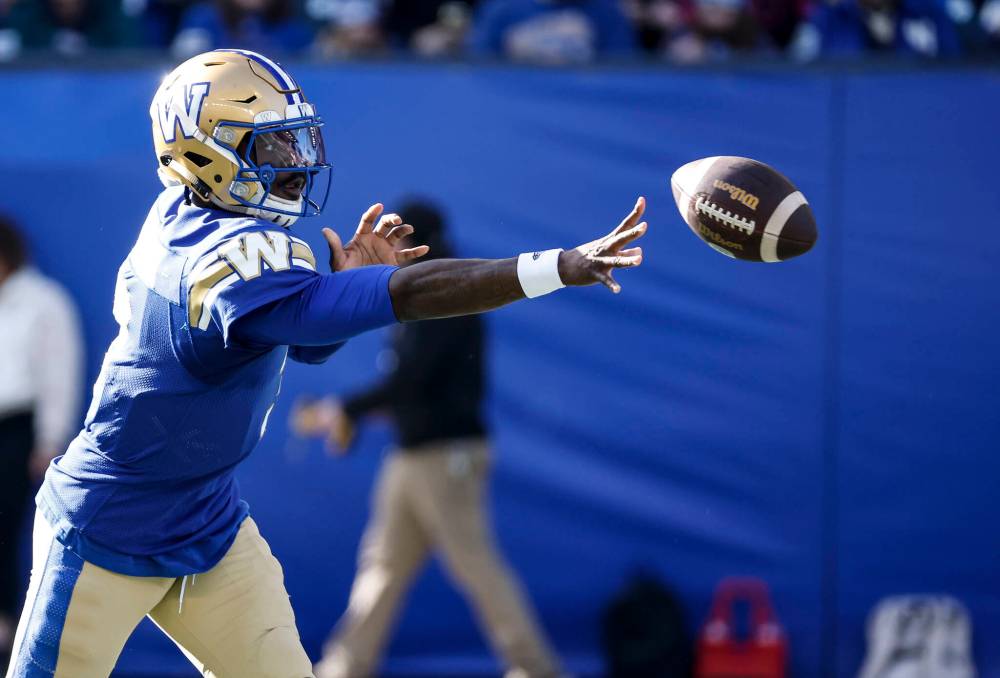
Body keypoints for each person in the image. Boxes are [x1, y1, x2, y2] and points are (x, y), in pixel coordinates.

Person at [5, 48, 646, 677]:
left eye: (293, 141)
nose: (294, 163)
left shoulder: (183, 210)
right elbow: (409, 294)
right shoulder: (224, 262)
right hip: (108, 524)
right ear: (202, 155)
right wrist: (557, 267)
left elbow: (307, 343)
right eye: (270, 146)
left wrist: (337, 290)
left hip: (206, 521)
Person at [293, 200, 563, 678]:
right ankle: (343, 669)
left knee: (475, 565)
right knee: (382, 568)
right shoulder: (418, 291)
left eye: (402, 234)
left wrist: (344, 409)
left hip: (446, 455)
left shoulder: (449, 293)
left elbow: (411, 380)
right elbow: (415, 388)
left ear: (424, 239)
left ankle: (538, 670)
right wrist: (353, 417)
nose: (392, 244)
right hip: (411, 455)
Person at [0, 216, 83, 671]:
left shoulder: (43, 302)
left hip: (13, 433)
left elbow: (58, 373)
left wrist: (50, 438)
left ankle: (7, 634)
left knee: (4, 533)